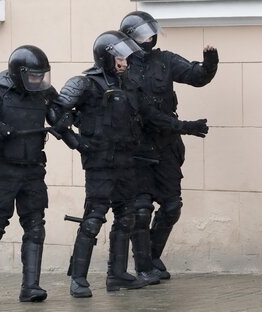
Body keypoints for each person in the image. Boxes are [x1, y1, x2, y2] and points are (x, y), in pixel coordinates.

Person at [53, 30, 209, 298]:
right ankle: (79, 279)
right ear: (106, 57)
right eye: (120, 58)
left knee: (125, 218)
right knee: (93, 220)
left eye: (126, 58)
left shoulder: (130, 86)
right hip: (100, 163)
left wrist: (185, 127)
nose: (125, 63)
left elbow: (151, 116)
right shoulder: (85, 83)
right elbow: (57, 110)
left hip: (127, 161)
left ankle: (117, 274)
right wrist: (76, 142)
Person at [119, 11, 219, 282]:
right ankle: (143, 266)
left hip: (166, 145)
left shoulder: (164, 60)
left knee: (172, 205)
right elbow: (141, 111)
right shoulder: (120, 65)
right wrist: (187, 126)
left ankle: (150, 255)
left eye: (151, 32)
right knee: (141, 209)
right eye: (142, 34)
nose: (149, 38)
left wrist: (210, 63)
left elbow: (196, 76)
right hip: (138, 146)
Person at [0, 45, 58, 304]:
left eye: (40, 75)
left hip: (33, 170)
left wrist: (64, 124)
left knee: (35, 226)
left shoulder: (43, 94)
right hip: (3, 171)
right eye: (32, 75)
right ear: (18, 73)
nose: (37, 80)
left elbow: (60, 116)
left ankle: (31, 286)